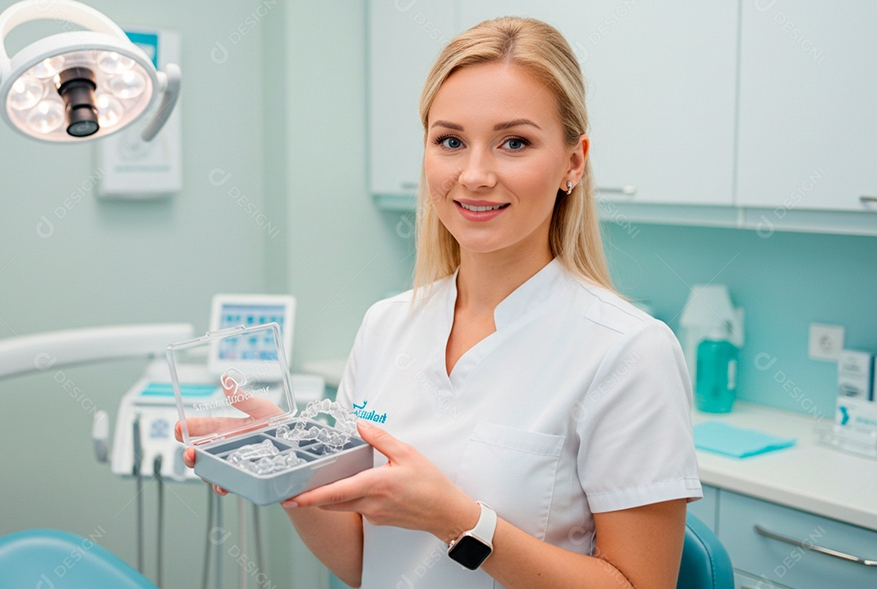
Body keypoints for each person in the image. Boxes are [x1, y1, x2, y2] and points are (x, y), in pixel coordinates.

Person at [181, 16, 701, 588]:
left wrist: (458, 521)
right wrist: (293, 472)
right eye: (450, 141)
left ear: (573, 162)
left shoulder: (629, 352)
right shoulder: (386, 326)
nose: (474, 175)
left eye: (515, 143)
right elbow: (364, 564)